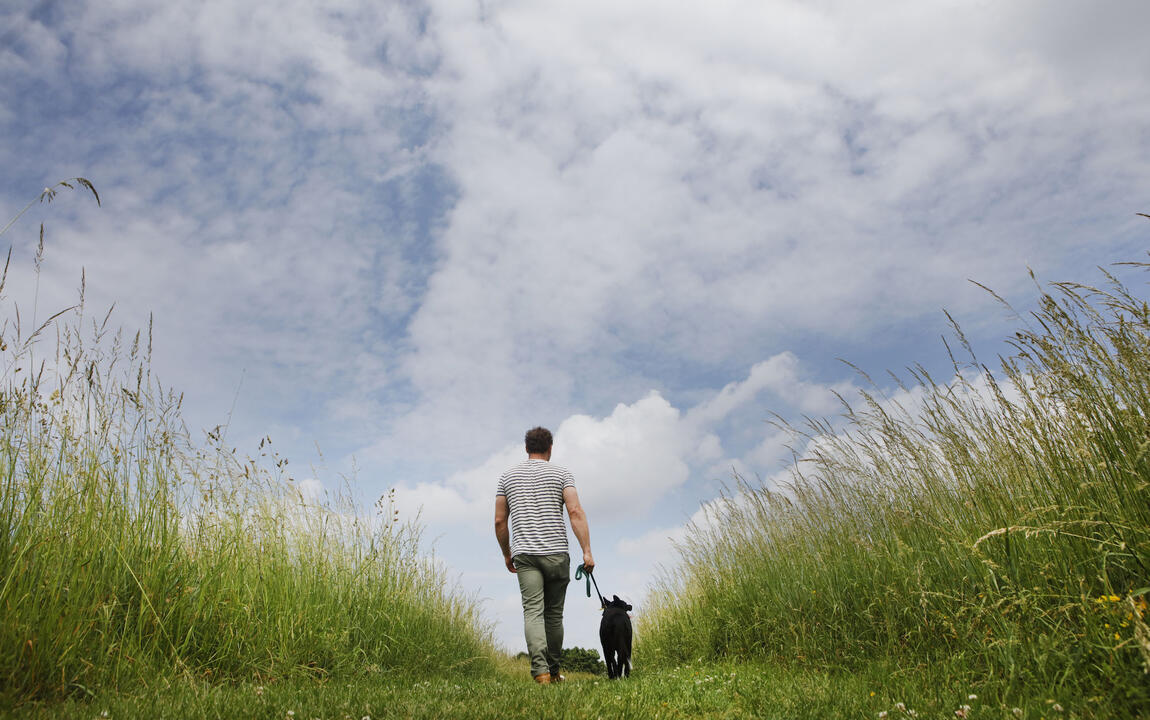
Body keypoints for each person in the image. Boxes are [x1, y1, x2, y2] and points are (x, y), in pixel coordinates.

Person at [495, 426, 594, 685]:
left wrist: (507, 554)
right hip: (556, 554)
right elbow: (575, 512)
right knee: (553, 615)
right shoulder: (562, 474)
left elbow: (499, 521)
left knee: (533, 613)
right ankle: (553, 670)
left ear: (526, 448)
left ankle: (540, 673)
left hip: (525, 554)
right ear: (550, 448)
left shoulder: (507, 477)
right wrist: (586, 551)